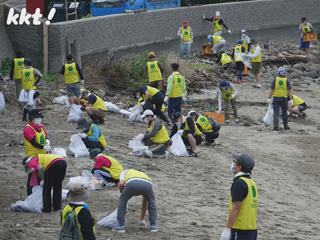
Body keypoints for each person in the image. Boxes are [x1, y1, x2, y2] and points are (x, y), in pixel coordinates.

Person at [220, 153, 258, 240]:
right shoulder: (252, 183)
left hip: (240, 230)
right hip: (251, 229)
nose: (233, 164)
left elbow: (236, 208)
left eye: (235, 162)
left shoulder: (239, 183)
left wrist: (227, 229)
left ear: (239, 167)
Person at [112, 169, 159, 233]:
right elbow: (144, 202)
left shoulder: (124, 172)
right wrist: (141, 220)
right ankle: (153, 226)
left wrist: (122, 194)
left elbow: (121, 183)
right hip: (147, 184)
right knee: (151, 202)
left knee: (122, 201)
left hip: (132, 183)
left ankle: (121, 226)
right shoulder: (142, 174)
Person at [23, 109, 51, 195]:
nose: (39, 120)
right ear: (32, 119)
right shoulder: (28, 129)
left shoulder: (40, 126)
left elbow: (45, 135)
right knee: (32, 177)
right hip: (32, 156)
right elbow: (33, 142)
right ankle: (30, 195)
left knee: (41, 176)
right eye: (37, 118)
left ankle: (38, 194)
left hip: (42, 155)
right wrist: (43, 147)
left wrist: (47, 140)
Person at [267, 67, 293, 132]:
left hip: (276, 98)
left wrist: (269, 98)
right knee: (284, 113)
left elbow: (272, 90)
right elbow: (289, 90)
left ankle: (276, 127)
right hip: (284, 98)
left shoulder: (275, 79)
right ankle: (286, 126)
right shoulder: (287, 80)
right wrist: (291, 99)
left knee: (276, 113)